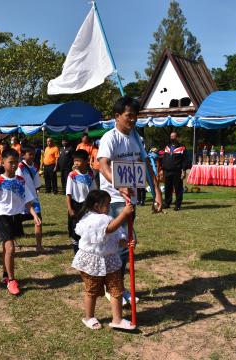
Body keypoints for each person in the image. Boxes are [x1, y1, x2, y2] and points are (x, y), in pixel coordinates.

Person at [97, 96, 162, 305]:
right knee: (123, 244)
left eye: (135, 116)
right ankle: (113, 287)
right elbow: (103, 165)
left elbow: (145, 164)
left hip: (130, 199)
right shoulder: (109, 138)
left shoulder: (135, 136)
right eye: (129, 116)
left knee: (125, 245)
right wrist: (118, 184)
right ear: (117, 116)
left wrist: (157, 193)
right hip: (114, 199)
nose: (133, 120)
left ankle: (115, 286)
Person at [72, 190, 136, 331]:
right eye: (107, 204)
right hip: (92, 261)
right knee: (92, 290)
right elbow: (109, 229)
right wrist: (124, 214)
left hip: (110, 259)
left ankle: (117, 319)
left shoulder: (106, 217)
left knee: (116, 288)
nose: (109, 207)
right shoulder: (93, 220)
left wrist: (126, 243)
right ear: (96, 206)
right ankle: (89, 317)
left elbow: (117, 234)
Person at [0, 148, 41, 295]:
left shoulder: (20, 180)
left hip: (15, 217)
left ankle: (5, 275)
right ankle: (12, 281)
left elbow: (27, 200)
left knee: (5, 248)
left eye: (16, 162)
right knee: (10, 248)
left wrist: (34, 214)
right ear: (3, 163)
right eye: (10, 162)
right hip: (2, 217)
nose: (14, 165)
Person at [66, 150, 96, 253]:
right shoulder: (72, 175)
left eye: (78, 160)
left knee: (87, 229)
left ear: (86, 161)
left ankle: (85, 250)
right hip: (75, 205)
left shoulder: (90, 174)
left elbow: (93, 192)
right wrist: (70, 208)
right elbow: (68, 193)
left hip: (87, 206)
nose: (76, 163)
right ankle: (76, 251)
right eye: (75, 161)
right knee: (75, 230)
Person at [16, 145, 44, 252]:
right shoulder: (20, 167)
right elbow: (19, 183)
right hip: (21, 200)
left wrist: (35, 193)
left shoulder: (35, 167)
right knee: (16, 221)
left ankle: (39, 245)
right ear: (23, 155)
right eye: (30, 154)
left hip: (34, 200)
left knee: (38, 221)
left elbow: (37, 185)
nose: (32, 156)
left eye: (33, 154)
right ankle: (12, 241)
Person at [162, 131, 188, 211]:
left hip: (177, 171)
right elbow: (164, 159)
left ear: (177, 137)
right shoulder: (167, 147)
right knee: (167, 188)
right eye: (171, 136)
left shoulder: (182, 148)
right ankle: (167, 203)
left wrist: (183, 171)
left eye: (173, 136)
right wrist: (162, 170)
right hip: (167, 171)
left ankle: (178, 204)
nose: (172, 138)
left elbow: (185, 160)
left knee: (178, 189)